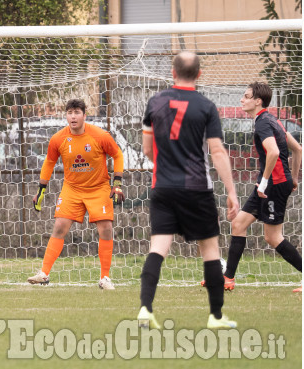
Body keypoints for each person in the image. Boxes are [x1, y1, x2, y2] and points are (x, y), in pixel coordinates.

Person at [137, 51, 240, 329]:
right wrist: (231, 191)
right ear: (199, 74)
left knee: (158, 247)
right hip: (196, 188)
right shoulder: (206, 106)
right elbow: (217, 151)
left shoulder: (155, 102)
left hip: (162, 187)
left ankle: (146, 309)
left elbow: (147, 149)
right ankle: (216, 317)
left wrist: (167, 167)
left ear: (173, 72)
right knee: (210, 250)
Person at [26, 99, 125, 290]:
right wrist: (41, 189)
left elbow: (118, 155)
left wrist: (118, 182)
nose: (73, 116)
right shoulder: (58, 139)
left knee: (105, 228)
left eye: (77, 112)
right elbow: (49, 162)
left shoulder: (99, 135)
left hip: (99, 188)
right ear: (66, 116)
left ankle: (105, 278)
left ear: (84, 115)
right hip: (72, 189)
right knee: (60, 226)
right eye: (70, 112)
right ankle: (43, 274)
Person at [221, 82, 302, 292]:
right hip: (272, 183)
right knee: (238, 224)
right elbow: (298, 149)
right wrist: (293, 178)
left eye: (246, 96)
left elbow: (273, 152)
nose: (242, 99)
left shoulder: (263, 123)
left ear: (258, 101)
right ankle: (227, 278)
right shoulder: (271, 120)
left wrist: (266, 182)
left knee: (272, 237)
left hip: (272, 185)